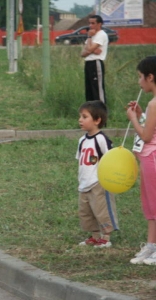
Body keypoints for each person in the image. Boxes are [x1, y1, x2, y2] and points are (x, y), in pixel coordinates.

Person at [126, 56, 156, 265]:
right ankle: (151, 244)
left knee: (153, 203)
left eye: (140, 77)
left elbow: (146, 136)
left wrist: (134, 119)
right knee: (150, 204)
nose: (139, 82)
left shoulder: (154, 103)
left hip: (152, 157)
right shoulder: (151, 105)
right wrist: (141, 114)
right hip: (148, 157)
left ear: (150, 77)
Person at [76, 100, 118, 248]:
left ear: (97, 120)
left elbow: (110, 158)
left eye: (84, 116)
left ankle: (106, 236)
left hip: (98, 183)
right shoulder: (82, 140)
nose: (80, 120)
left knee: (102, 210)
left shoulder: (101, 139)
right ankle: (94, 235)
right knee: (86, 212)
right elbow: (83, 160)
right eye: (80, 116)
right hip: (84, 184)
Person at [80, 15, 108, 104]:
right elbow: (83, 53)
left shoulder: (101, 35)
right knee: (89, 90)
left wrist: (89, 38)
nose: (90, 25)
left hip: (96, 63)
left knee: (97, 89)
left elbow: (88, 49)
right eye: (89, 23)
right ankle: (92, 112)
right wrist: (92, 50)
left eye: (93, 23)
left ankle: (102, 111)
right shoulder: (93, 36)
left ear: (99, 24)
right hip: (88, 63)